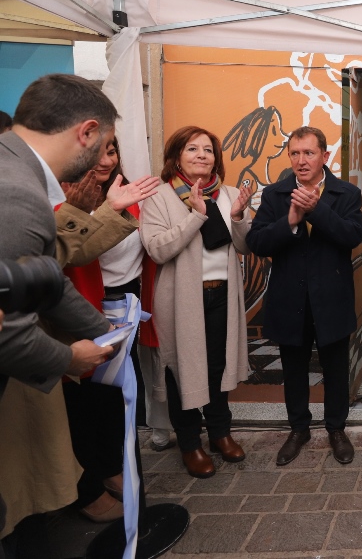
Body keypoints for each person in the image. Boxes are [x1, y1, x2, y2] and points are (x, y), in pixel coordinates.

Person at [0, 74, 116, 550]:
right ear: (86, 132)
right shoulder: (17, 194)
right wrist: (73, 359)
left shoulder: (13, 168)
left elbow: (42, 278)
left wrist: (105, 331)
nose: (104, 157)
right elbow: (8, 331)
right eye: (105, 143)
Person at [56, 137, 162, 522]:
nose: (106, 159)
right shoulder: (67, 194)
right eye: (98, 151)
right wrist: (100, 209)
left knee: (119, 401)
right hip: (86, 308)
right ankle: (90, 487)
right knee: (87, 403)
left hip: (127, 309)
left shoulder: (128, 192)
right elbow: (72, 252)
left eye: (113, 151)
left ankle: (115, 469)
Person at [246, 126, 362, 467]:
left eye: (308, 153)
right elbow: (257, 243)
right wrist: (292, 220)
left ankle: (336, 430)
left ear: (325, 156)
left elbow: (352, 235)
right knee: (294, 369)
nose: (301, 161)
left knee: (336, 369)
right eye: (295, 153)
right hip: (289, 299)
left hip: (332, 298)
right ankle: (298, 429)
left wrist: (316, 211)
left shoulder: (346, 193)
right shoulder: (275, 195)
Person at [140, 126, 252, 479]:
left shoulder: (230, 193)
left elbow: (248, 247)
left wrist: (236, 217)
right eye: (193, 149)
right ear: (176, 157)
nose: (202, 155)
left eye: (208, 149)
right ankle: (190, 443)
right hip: (181, 302)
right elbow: (157, 249)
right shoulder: (160, 198)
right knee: (181, 370)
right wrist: (196, 214)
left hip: (222, 295)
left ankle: (220, 432)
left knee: (217, 367)